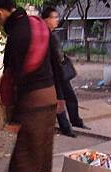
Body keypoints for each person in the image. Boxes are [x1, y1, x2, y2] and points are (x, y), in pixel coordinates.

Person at [0, 0, 61, 172]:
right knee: (43, 152)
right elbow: (56, 64)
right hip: (50, 97)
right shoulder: (39, 25)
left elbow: (14, 78)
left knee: (25, 155)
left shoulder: (16, 35)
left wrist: (14, 116)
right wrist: (60, 97)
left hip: (32, 102)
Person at [41, 6, 91, 137]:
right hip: (53, 74)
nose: (57, 20)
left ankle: (76, 121)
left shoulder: (52, 34)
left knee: (70, 97)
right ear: (46, 19)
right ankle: (66, 128)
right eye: (54, 17)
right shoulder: (44, 36)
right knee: (60, 100)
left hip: (61, 72)